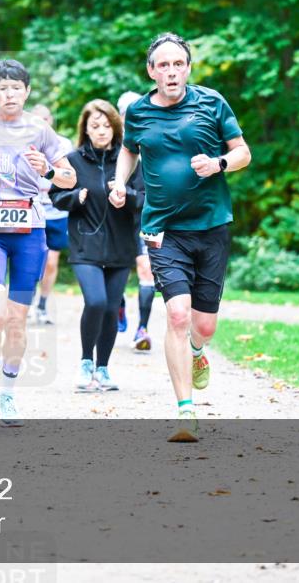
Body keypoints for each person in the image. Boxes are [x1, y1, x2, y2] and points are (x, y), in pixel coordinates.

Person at [110, 33, 251, 442]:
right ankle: (186, 412)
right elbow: (129, 149)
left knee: (203, 326)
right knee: (175, 314)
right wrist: (119, 182)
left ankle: (197, 351)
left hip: (211, 226)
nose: (171, 71)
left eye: (178, 64)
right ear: (151, 71)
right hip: (162, 229)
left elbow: (243, 151)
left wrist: (220, 163)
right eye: (163, 65)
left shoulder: (211, 102)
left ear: (188, 68)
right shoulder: (137, 111)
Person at [0, 58, 76, 426]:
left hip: (30, 232)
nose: (10, 94)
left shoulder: (40, 130)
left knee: (16, 321)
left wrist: (48, 170)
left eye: (17, 88)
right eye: (3, 88)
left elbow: (70, 179)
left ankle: (8, 396)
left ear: (26, 92)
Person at [50, 100, 137, 392]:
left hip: (121, 244)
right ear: (85, 130)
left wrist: (127, 195)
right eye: (94, 126)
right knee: (96, 301)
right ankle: (86, 362)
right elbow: (55, 196)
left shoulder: (129, 160)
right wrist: (77, 197)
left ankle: (103, 368)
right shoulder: (73, 160)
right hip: (85, 244)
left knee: (112, 308)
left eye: (106, 125)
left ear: (116, 126)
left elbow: (148, 197)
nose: (101, 131)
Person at [116, 90, 157, 351]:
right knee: (113, 273)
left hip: (142, 218)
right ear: (120, 116)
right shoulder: (109, 144)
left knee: (146, 269)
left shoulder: (151, 139)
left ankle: (142, 328)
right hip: (115, 221)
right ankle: (118, 305)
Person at [28, 104, 74, 325]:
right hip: (30, 212)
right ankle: (24, 302)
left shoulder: (63, 144)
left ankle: (42, 304)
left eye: (44, 120)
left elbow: (72, 177)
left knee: (51, 263)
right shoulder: (23, 144)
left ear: (50, 121)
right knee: (28, 260)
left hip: (56, 213)